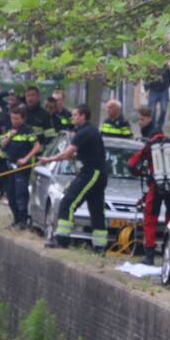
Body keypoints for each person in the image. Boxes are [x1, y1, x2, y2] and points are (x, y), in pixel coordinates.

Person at [39, 104, 108, 251]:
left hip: (91, 173)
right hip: (95, 173)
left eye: (75, 115)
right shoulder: (88, 131)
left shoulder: (85, 132)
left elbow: (66, 153)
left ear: (83, 116)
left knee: (67, 203)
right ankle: (100, 247)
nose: (73, 117)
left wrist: (48, 159)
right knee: (96, 210)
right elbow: (76, 154)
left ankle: (62, 240)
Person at [127, 127, 170, 265]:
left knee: (150, 219)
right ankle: (168, 254)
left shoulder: (148, 147)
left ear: (151, 137)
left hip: (155, 188)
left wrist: (141, 173)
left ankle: (149, 257)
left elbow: (131, 165)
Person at [0, 106, 41, 230]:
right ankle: (16, 220)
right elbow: (3, 145)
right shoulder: (11, 130)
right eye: (12, 118)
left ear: (23, 119)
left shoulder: (28, 131)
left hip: (22, 169)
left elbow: (37, 146)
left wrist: (25, 159)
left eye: (17, 118)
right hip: (10, 167)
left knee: (21, 195)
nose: (14, 121)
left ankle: (23, 222)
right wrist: (9, 136)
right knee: (10, 195)